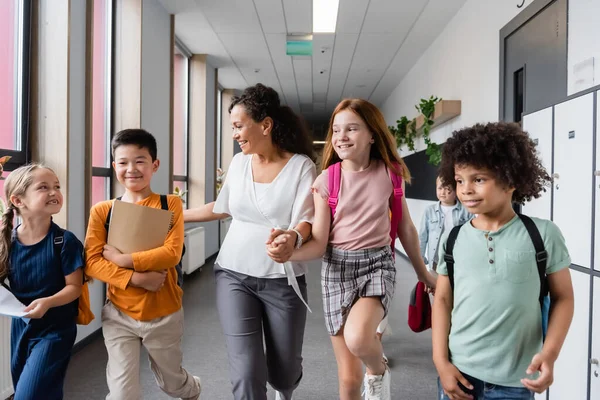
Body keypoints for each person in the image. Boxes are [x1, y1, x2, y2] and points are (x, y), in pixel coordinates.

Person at [267, 99, 437, 400]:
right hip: (337, 271)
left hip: (377, 265)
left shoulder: (391, 173)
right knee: (347, 380)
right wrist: (289, 253)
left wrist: (423, 274)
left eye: (352, 128)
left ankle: (377, 370)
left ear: (372, 134)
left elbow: (405, 228)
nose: (341, 136)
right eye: (336, 130)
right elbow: (319, 243)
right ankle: (370, 370)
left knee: (359, 338)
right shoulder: (327, 181)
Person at [183, 83, 316, 400]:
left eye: (239, 126)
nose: (234, 134)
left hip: (282, 279)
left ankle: (284, 389)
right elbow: (221, 208)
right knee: (246, 371)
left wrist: (292, 236)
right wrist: (171, 215)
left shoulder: (301, 167)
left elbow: (307, 221)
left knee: (284, 372)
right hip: (233, 273)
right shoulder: (239, 164)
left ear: (265, 125)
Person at [432, 122, 574, 400]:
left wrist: (550, 354)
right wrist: (441, 362)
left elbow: (564, 298)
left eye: (479, 179)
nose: (466, 190)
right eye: (459, 180)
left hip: (517, 380)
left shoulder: (543, 234)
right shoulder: (453, 238)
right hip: (460, 373)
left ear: (510, 181)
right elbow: (442, 301)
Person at [84, 129, 201, 400]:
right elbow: (92, 262)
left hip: (165, 313)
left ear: (154, 165)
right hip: (119, 315)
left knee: (173, 385)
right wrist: (137, 278)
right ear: (114, 166)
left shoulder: (169, 204)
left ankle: (191, 387)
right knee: (122, 394)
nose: (131, 169)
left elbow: (172, 253)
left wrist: (124, 260)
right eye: (123, 162)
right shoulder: (103, 211)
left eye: (140, 161)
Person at [0, 163, 84, 399]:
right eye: (43, 187)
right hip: (22, 328)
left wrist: (47, 302)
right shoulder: (7, 242)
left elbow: (74, 288)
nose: (54, 192)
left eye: (56, 186)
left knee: (27, 395)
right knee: (44, 392)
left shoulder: (65, 242)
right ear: (18, 201)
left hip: (55, 330)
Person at [419, 176, 472, 272]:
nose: (442, 192)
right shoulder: (429, 211)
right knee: (435, 284)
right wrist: (420, 258)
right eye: (439, 188)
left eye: (448, 189)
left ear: (456, 190)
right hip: (436, 259)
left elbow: (471, 236)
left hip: (457, 258)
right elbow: (423, 236)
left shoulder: (466, 211)